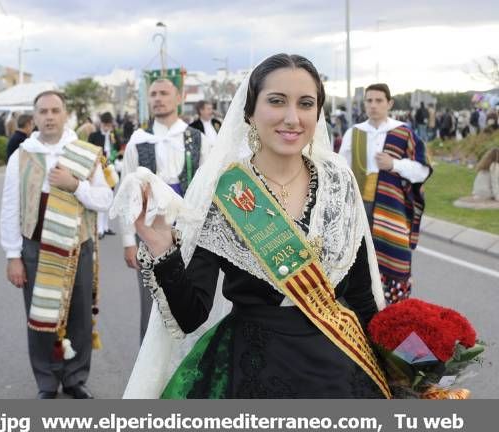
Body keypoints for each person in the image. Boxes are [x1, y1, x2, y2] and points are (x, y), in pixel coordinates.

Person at [116, 54, 391, 399]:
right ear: (250, 112)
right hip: (253, 371)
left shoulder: (339, 182)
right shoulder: (225, 190)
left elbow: (363, 296)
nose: (292, 118)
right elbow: (190, 316)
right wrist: (162, 249)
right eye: (277, 101)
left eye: (306, 104)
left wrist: (407, 362)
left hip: (340, 368)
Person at [0, 90, 113, 399]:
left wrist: (75, 185)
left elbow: (106, 199)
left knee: (78, 314)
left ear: (65, 116)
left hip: (79, 245)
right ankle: (46, 381)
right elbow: (10, 207)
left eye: (55, 110)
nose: (49, 116)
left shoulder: (87, 152)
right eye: (43, 111)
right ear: (34, 118)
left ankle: (75, 378)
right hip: (35, 247)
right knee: (41, 317)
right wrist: (13, 255)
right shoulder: (21, 155)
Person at [119, 78, 211, 341]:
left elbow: (208, 189)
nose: (158, 98)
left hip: (190, 232)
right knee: (153, 302)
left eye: (164, 93)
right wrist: (128, 241)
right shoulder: (138, 141)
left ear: (179, 98)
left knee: (192, 297)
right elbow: (127, 196)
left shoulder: (198, 139)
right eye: (153, 94)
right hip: (150, 233)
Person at [340, 83, 431, 304]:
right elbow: (340, 170)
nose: (373, 105)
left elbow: (423, 170)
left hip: (392, 207)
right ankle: (362, 306)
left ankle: (393, 309)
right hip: (359, 206)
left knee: (394, 256)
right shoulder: (355, 133)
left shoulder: (403, 132)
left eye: (378, 100)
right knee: (357, 258)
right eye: (369, 101)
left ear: (389, 103)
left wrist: (395, 164)